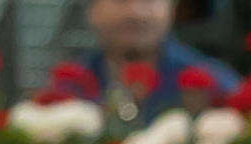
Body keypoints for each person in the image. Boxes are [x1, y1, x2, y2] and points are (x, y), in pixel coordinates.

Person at [77, 0, 239, 119]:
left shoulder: (217, 87)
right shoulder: (68, 88)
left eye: (149, 1)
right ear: (91, 11)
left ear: (172, 9)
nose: (136, 12)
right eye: (121, 1)